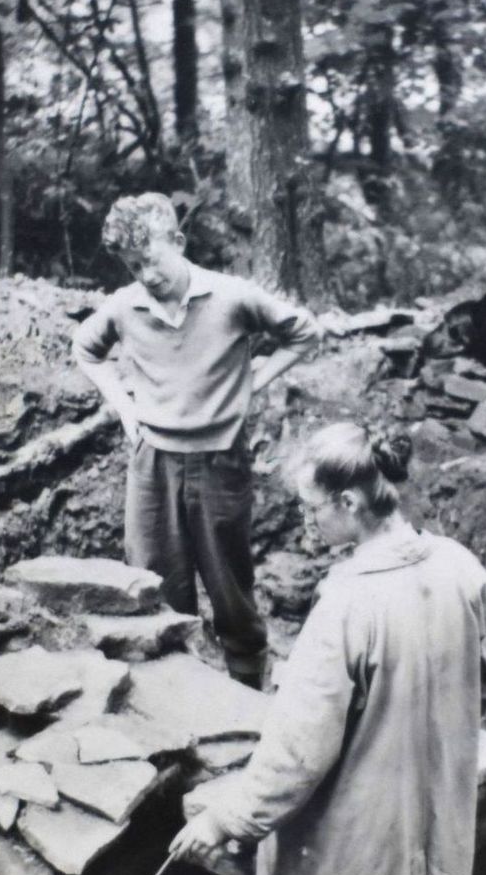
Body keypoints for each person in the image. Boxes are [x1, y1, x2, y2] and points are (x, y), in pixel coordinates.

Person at [169, 422, 486, 875]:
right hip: (437, 786)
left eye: (310, 506)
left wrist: (226, 819)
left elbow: (297, 753)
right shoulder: (458, 565)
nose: (304, 519)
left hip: (366, 807)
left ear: (350, 502)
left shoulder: (347, 604)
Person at [73, 193, 319, 688]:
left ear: (178, 242)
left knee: (230, 586)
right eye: (132, 265)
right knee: (154, 582)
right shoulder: (124, 306)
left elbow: (305, 333)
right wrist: (123, 407)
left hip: (219, 462)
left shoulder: (231, 297)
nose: (145, 274)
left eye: (152, 260)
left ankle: (248, 693)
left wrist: (254, 382)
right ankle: (173, 693)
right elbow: (85, 349)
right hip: (152, 466)